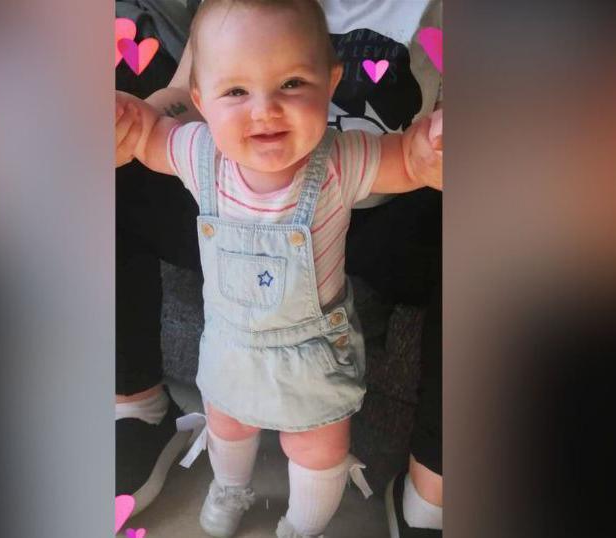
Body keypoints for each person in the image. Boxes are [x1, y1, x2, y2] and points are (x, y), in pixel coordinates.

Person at [115, 1, 444, 536]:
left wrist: (428, 152)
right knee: (228, 426)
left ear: (331, 82)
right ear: (203, 100)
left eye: (292, 84)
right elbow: (149, 137)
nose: (264, 109)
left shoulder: (340, 161)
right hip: (229, 345)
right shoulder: (200, 153)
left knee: (317, 448)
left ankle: (302, 525)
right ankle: (228, 487)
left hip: (312, 355)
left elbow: (404, 159)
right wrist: (125, 122)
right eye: (237, 92)